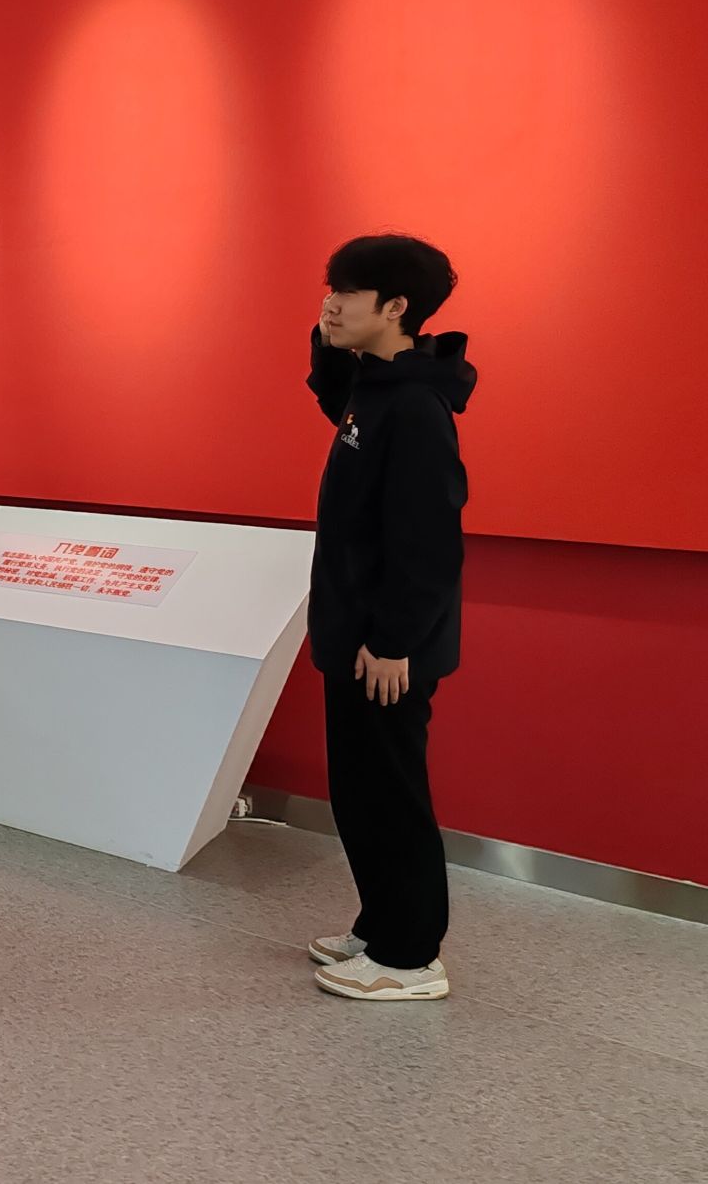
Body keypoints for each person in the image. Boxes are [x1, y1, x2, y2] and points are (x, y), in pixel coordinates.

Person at [305, 235, 475, 1004]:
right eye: (330, 288)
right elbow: (330, 388)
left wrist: (393, 639)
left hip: (388, 647)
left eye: (348, 292)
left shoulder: (415, 406)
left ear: (397, 306)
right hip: (356, 631)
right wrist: (329, 332)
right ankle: (380, 924)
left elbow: (428, 539)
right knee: (359, 790)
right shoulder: (374, 385)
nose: (331, 303)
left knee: (391, 794)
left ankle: (411, 957)